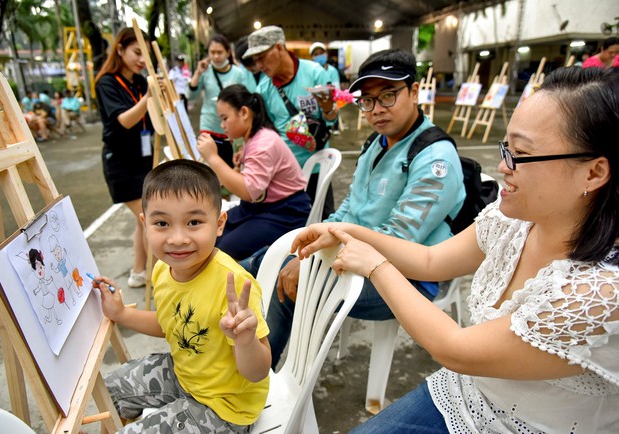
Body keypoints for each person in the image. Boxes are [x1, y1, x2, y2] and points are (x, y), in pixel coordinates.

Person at [292, 66, 619, 433]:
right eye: (506, 147)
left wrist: (375, 264)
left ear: (593, 173)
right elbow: (432, 259)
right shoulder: (516, 218)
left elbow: (455, 348)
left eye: (521, 153)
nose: (502, 166)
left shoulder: (600, 292)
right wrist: (346, 230)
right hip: (465, 393)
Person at [263, 48, 465, 369]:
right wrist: (314, 246)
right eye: (367, 100)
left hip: (404, 278)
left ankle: (260, 383)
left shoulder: (434, 158)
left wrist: (317, 263)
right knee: (269, 259)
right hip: (357, 255)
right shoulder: (376, 142)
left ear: (414, 92)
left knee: (295, 285)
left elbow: (399, 239)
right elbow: (349, 207)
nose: (376, 110)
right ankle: (247, 366)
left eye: (387, 95)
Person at [92, 159, 271, 433]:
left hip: (226, 408)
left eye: (194, 222)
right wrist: (121, 314)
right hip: (185, 376)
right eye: (162, 223)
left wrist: (245, 340)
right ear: (145, 224)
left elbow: (257, 372)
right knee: (109, 391)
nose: (177, 238)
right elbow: (170, 325)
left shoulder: (233, 286)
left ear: (220, 223)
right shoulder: (164, 269)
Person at [197, 84, 311, 261]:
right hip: (260, 207)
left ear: (244, 113)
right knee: (211, 231)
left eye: (225, 118)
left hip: (285, 212)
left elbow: (249, 191)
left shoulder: (263, 143)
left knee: (224, 249)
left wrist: (213, 158)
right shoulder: (254, 138)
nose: (222, 125)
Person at [243, 25, 337, 217]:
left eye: (262, 57)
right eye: (255, 60)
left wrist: (328, 110)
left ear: (279, 47)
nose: (259, 65)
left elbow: (331, 120)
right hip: (285, 173)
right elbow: (264, 131)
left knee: (325, 219)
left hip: (318, 163)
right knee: (293, 225)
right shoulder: (264, 89)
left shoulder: (314, 73)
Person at [94, 27, 156, 288]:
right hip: (121, 162)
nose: (142, 60)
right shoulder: (106, 82)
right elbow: (125, 120)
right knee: (148, 216)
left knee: (141, 219)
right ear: (120, 49)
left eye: (146, 56)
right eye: (137, 53)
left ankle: (139, 272)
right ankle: (157, 277)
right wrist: (151, 96)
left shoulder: (140, 81)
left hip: (143, 158)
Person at [187, 34, 256, 136]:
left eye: (219, 52)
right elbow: (191, 96)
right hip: (208, 125)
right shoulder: (205, 72)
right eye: (212, 52)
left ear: (228, 53)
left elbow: (249, 98)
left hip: (232, 128)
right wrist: (198, 73)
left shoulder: (239, 73)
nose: (216, 56)